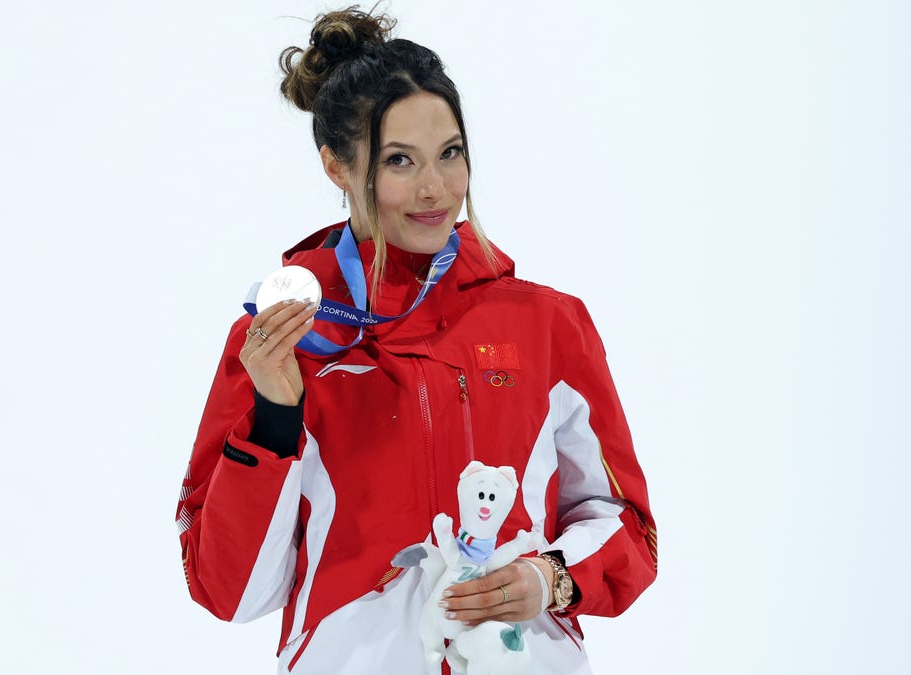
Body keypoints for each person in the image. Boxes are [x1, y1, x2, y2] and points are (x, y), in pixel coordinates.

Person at [175, 7, 657, 673]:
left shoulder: (547, 325)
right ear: (337, 166)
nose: (435, 189)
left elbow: (628, 527)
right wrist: (276, 418)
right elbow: (228, 590)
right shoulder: (282, 339)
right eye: (399, 160)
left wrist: (551, 577)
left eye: (450, 154)